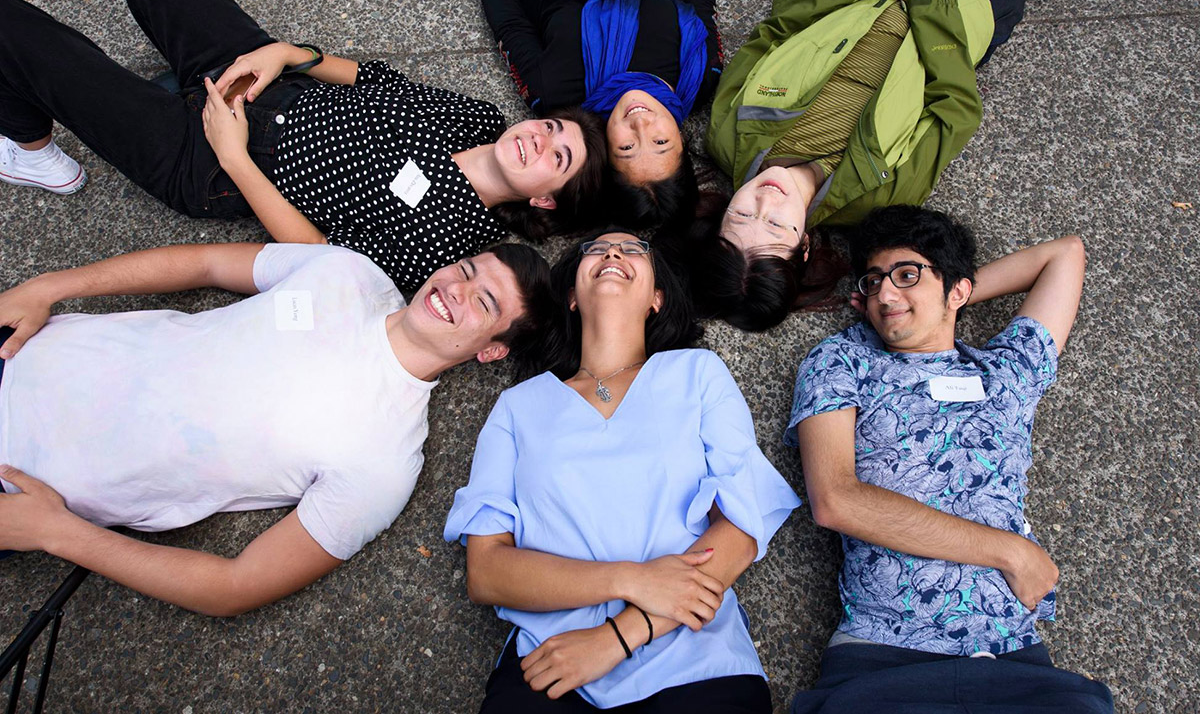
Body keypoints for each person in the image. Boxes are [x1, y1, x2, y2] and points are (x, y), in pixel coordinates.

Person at [0, 0, 606, 294]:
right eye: (552, 128)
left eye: (557, 158)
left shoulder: (451, 243)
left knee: (22, 40)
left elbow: (317, 258)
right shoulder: (479, 118)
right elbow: (377, 80)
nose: (540, 140)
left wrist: (233, 155)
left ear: (545, 199)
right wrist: (289, 54)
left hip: (211, 163)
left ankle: (32, 149)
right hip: (259, 75)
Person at [0, 238, 555, 615]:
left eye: (483, 301)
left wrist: (56, 533)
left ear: (491, 351)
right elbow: (207, 262)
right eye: (466, 269)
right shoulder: (350, 272)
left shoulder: (386, 462)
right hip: (27, 347)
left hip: (20, 477)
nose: (455, 289)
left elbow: (236, 586)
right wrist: (49, 287)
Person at [443, 230, 800, 711]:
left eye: (634, 250)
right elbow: (486, 572)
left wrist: (618, 637)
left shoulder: (698, 373)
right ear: (572, 296)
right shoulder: (516, 407)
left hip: (695, 662)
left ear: (657, 299)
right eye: (596, 249)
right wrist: (630, 579)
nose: (613, 252)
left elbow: (742, 524)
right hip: (550, 663)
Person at [786, 206, 1112, 712]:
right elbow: (836, 500)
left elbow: (1064, 254)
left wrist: (946, 298)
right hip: (884, 655)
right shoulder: (843, 361)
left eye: (906, 274)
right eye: (873, 282)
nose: (883, 294)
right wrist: (1010, 552)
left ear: (958, 289)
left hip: (1013, 658)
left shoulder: (1008, 373)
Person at [689, 0, 1079, 331]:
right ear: (803, 245)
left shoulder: (727, 133)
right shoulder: (878, 198)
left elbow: (777, 27)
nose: (764, 201)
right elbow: (956, 111)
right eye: (775, 225)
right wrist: (925, 9)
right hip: (959, 16)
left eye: (741, 216)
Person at [474, 0, 722, 226]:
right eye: (661, 143)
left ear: (606, 153)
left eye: (627, 147)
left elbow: (512, 29)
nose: (640, 124)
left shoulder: (559, 99)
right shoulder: (698, 76)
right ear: (681, 142)